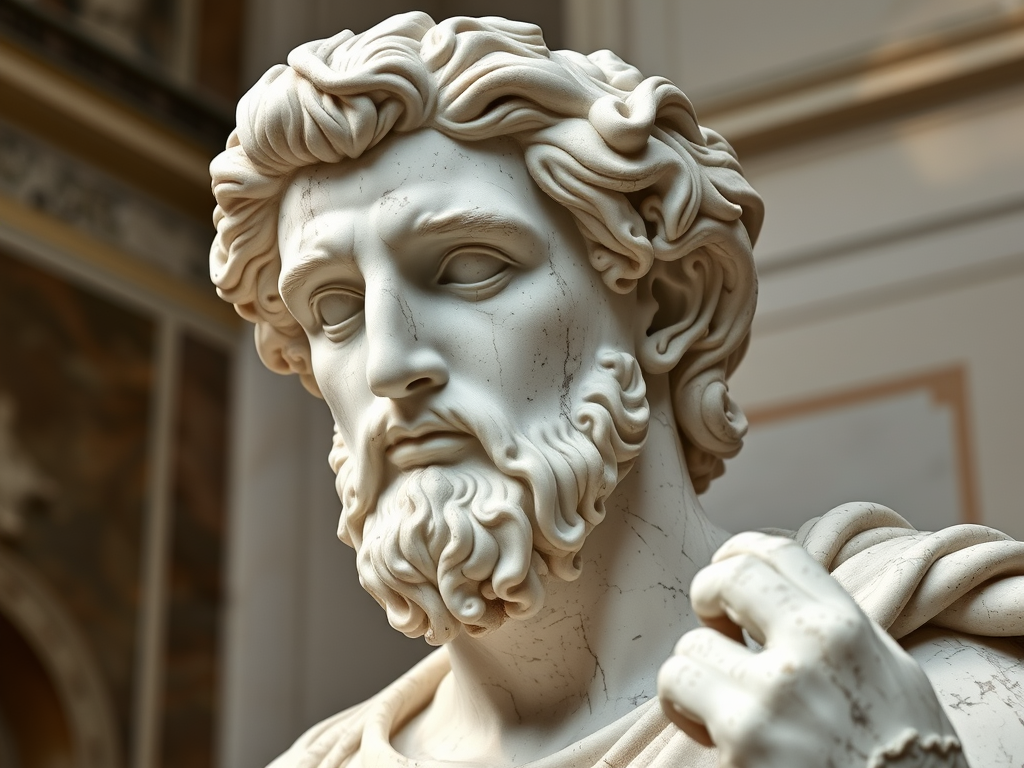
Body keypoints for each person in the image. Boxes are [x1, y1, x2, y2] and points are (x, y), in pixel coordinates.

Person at [210, 12, 1024, 767]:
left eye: (468, 268)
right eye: (335, 310)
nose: (389, 363)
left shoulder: (951, 694)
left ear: (671, 303)